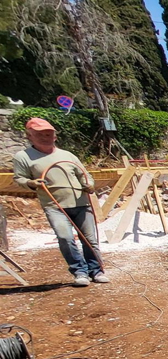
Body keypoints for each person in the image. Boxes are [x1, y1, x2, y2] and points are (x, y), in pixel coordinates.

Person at [11, 118, 107, 286]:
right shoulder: (24, 157)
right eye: (41, 134)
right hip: (54, 205)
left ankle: (96, 271)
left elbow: (84, 175)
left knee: (90, 240)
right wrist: (31, 183)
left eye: (49, 134)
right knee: (65, 238)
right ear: (30, 136)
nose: (46, 137)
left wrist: (89, 185)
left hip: (81, 203)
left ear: (55, 136)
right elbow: (19, 178)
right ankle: (80, 272)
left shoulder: (67, 155)